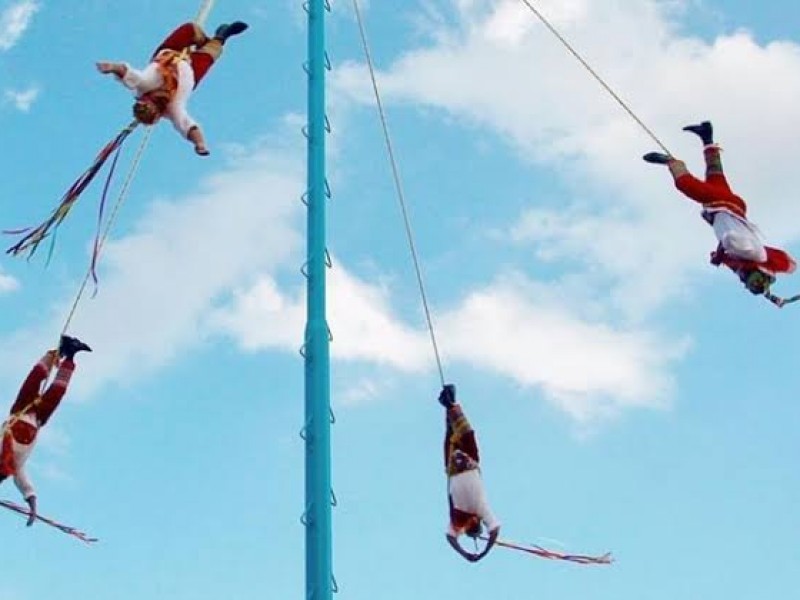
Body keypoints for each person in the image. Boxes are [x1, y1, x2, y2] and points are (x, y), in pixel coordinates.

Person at [643, 121, 796, 303]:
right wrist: (722, 252)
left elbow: (735, 250)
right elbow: (731, 238)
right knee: (686, 185)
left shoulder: (750, 259)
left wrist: (772, 297)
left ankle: (707, 137)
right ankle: (673, 162)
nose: (745, 280)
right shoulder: (753, 254)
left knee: (715, 175)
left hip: (730, 206)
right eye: (751, 280)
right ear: (759, 272)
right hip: (722, 205)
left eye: (747, 283)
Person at [96, 20, 249, 156]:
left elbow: (127, 73)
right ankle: (220, 37)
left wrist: (111, 67)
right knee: (213, 52)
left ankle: (204, 40)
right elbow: (187, 126)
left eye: (154, 99)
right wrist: (200, 144)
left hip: (170, 55)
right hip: (191, 72)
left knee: (190, 28)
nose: (159, 98)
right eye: (158, 103)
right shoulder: (172, 108)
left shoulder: (145, 84)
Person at [0, 336, 91, 526]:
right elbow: (26, 487)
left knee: (34, 379)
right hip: (38, 419)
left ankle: (57, 352)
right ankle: (71, 353)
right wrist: (33, 509)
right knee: (57, 391)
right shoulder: (15, 467)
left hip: (20, 410)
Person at [439, 384, 501, 562]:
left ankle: (449, 403)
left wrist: (465, 553)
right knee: (466, 432)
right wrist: (484, 551)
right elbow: (495, 530)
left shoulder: (457, 522)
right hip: (469, 462)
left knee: (451, 434)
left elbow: (450, 537)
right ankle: (450, 403)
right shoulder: (481, 510)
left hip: (453, 467)